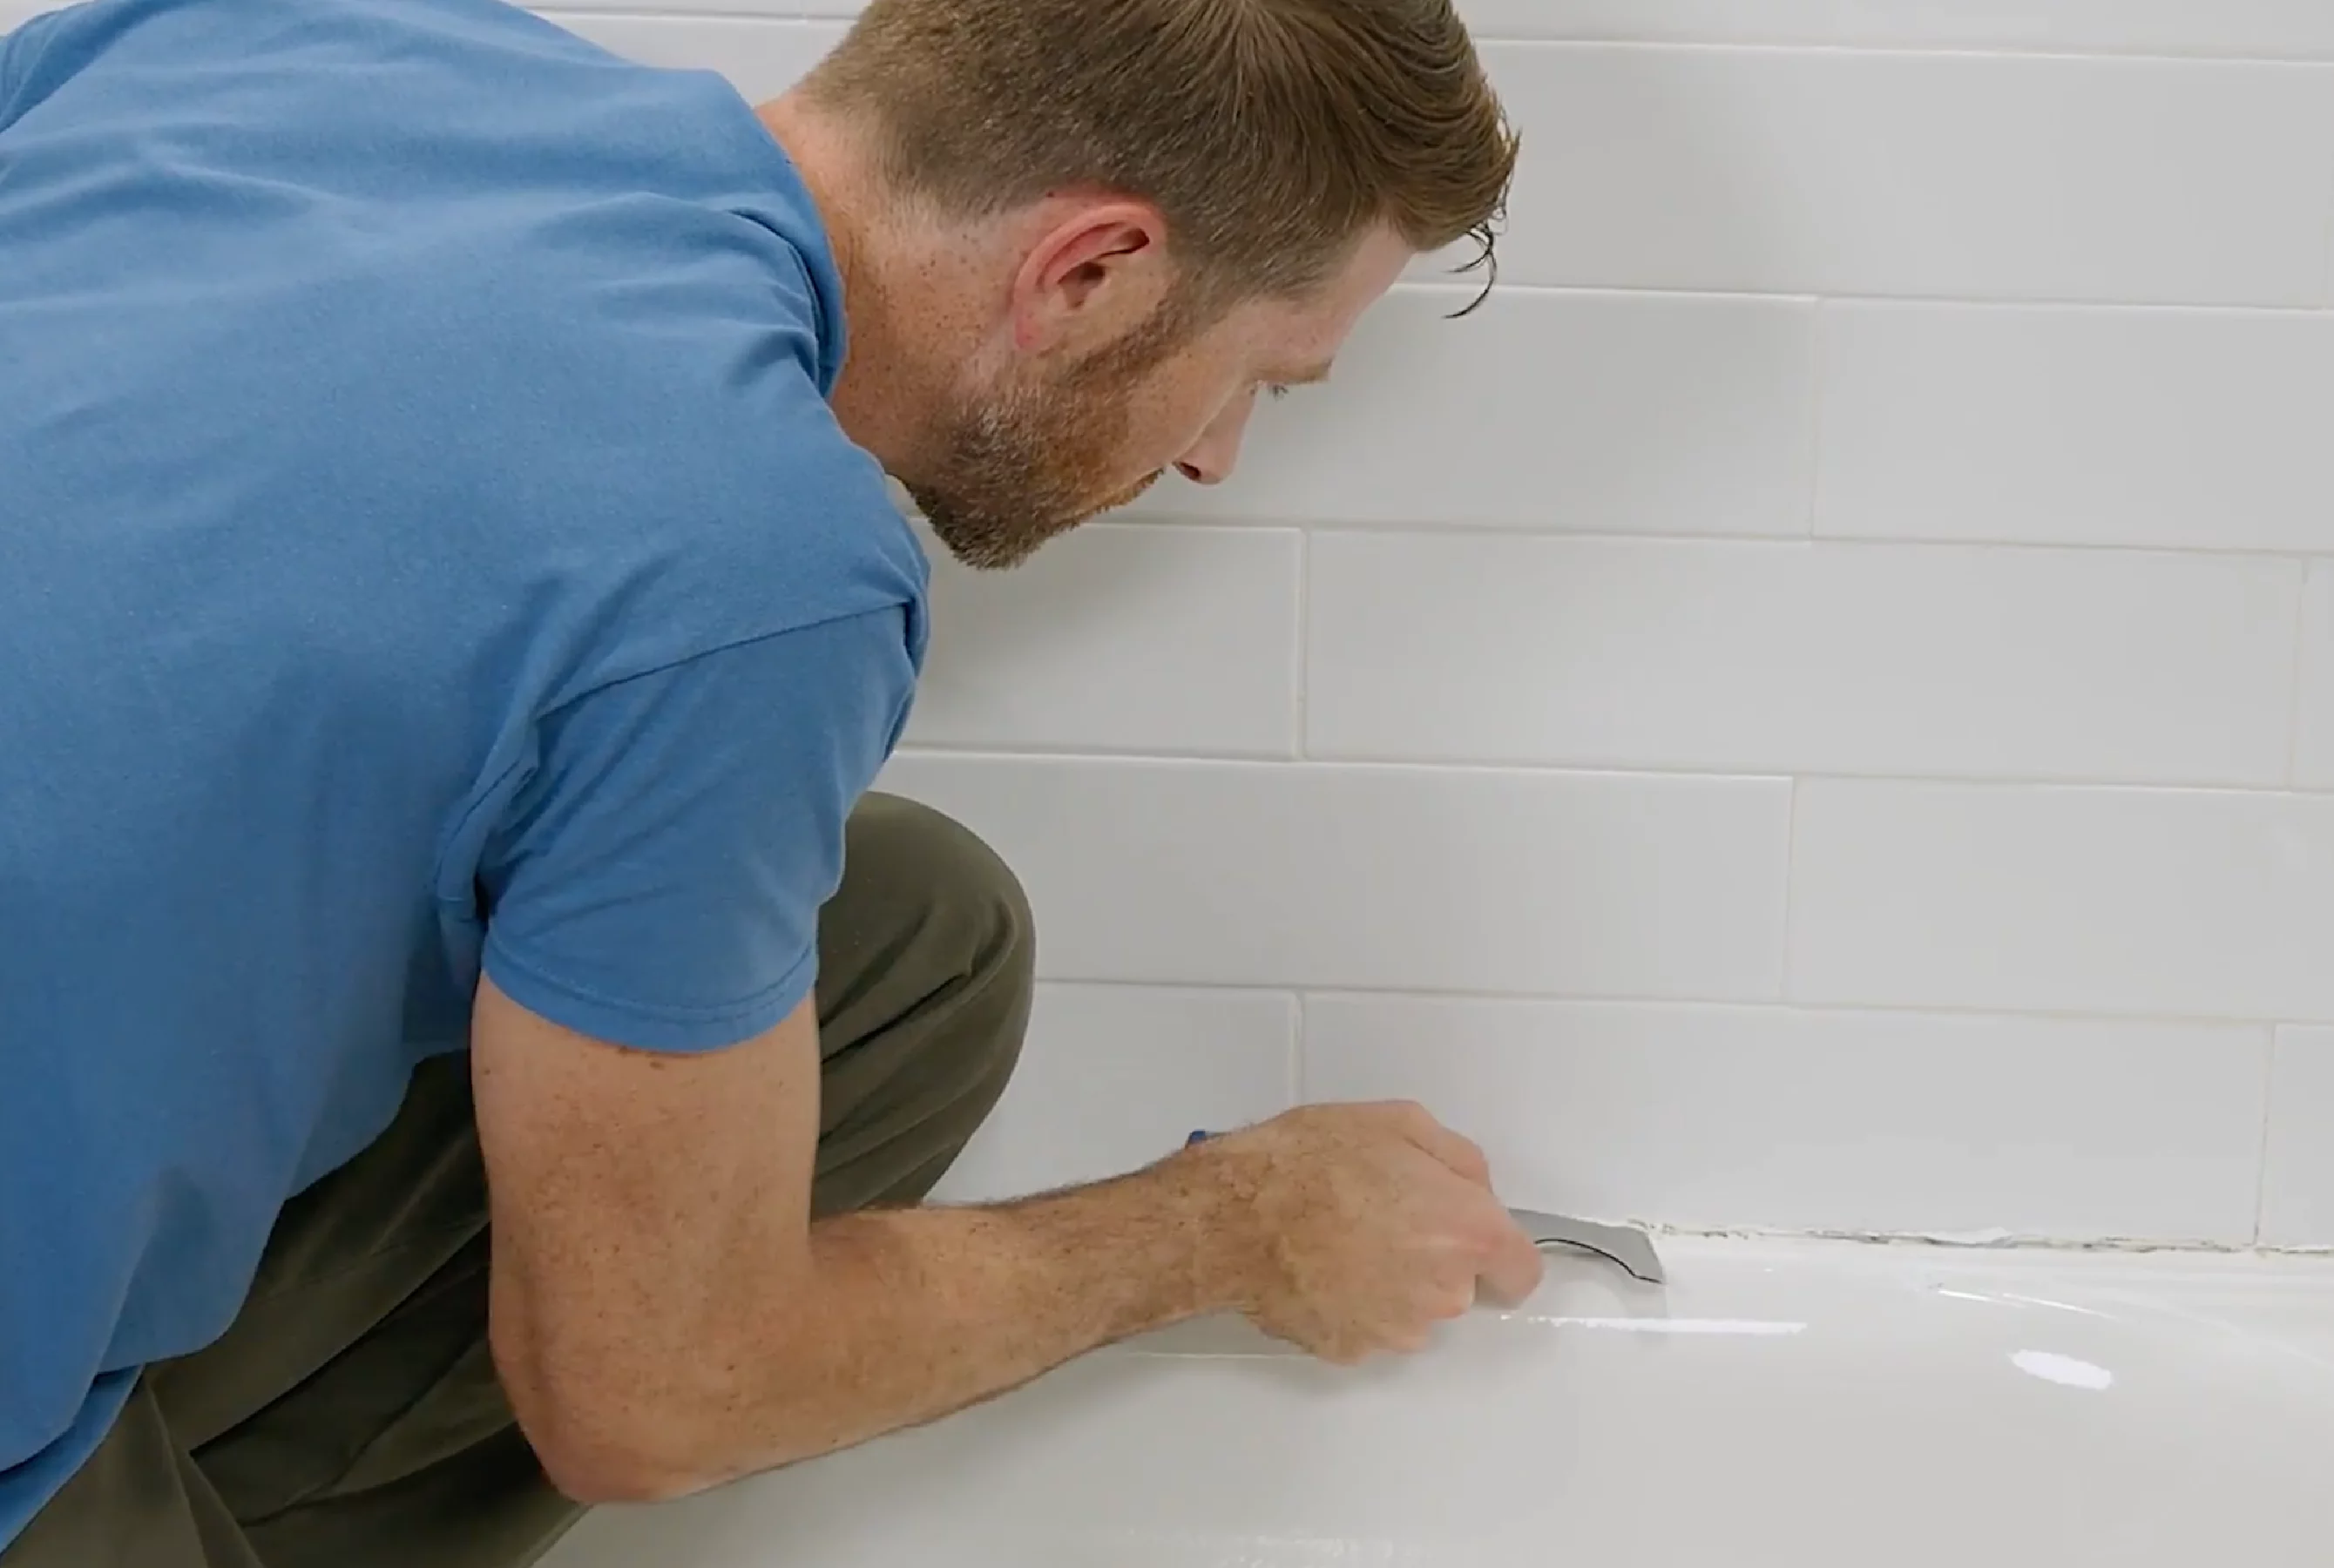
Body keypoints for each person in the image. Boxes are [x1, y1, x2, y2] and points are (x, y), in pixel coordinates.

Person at [0, 0, 1544, 1561]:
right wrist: (1231, 1225)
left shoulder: (271, 37)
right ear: (1092, 272)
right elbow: (651, 1403)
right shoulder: (758, 566)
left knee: (912, 945)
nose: (1217, 455)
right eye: (1261, 376)